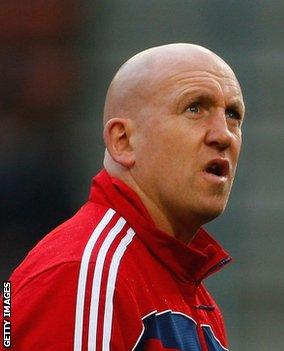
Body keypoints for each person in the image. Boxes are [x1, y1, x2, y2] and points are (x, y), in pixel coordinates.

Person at [9, 43, 244, 350]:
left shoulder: (196, 299)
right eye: (195, 108)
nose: (223, 134)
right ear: (123, 141)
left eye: (232, 114)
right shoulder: (85, 274)